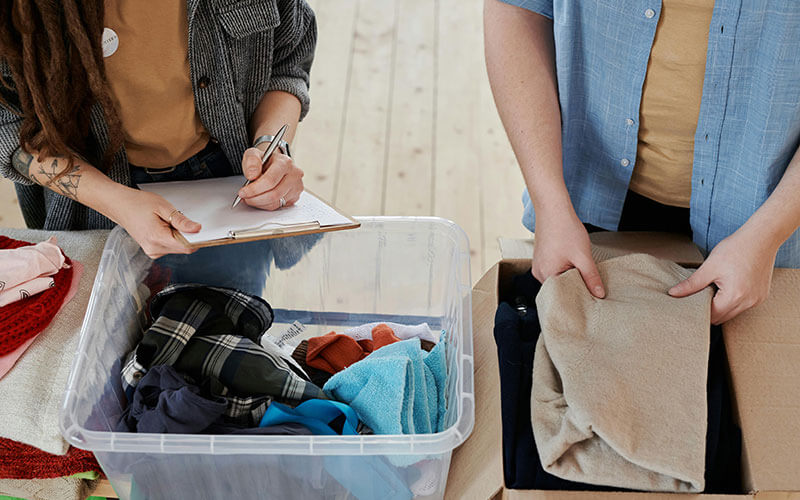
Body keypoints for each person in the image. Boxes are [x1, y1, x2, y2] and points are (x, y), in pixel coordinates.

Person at [485, 0, 800, 324]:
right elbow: (517, 9)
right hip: (585, 195)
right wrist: (550, 202)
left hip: (766, 215)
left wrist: (769, 234)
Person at [0, 0, 315, 259]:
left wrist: (271, 147)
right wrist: (116, 201)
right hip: (90, 201)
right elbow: (8, 126)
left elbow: (287, 61)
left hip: (229, 185)